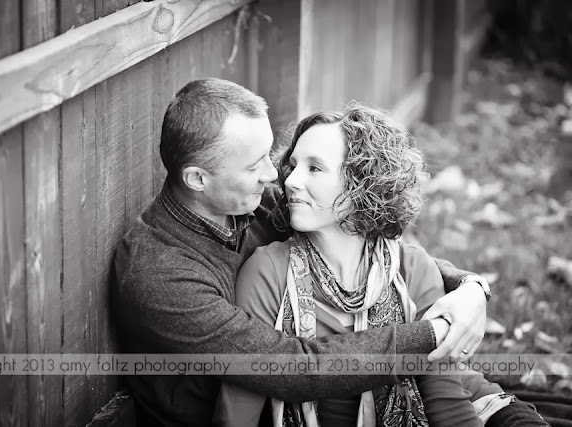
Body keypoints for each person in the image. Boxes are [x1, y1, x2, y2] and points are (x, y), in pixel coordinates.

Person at [111, 78, 492, 426]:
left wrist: (469, 288)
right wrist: (433, 334)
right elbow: (293, 367)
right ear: (198, 179)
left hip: (353, 388)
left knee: (483, 400)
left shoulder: (251, 202)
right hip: (264, 405)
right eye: (254, 164)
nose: (275, 175)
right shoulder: (158, 274)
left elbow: (369, 240)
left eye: (270, 155)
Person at [215, 102, 547, 426]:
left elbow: (446, 404)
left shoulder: (413, 270)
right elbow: (239, 406)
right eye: (293, 165)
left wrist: (474, 287)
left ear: (363, 183)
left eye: (314, 168)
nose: (289, 181)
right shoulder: (267, 273)